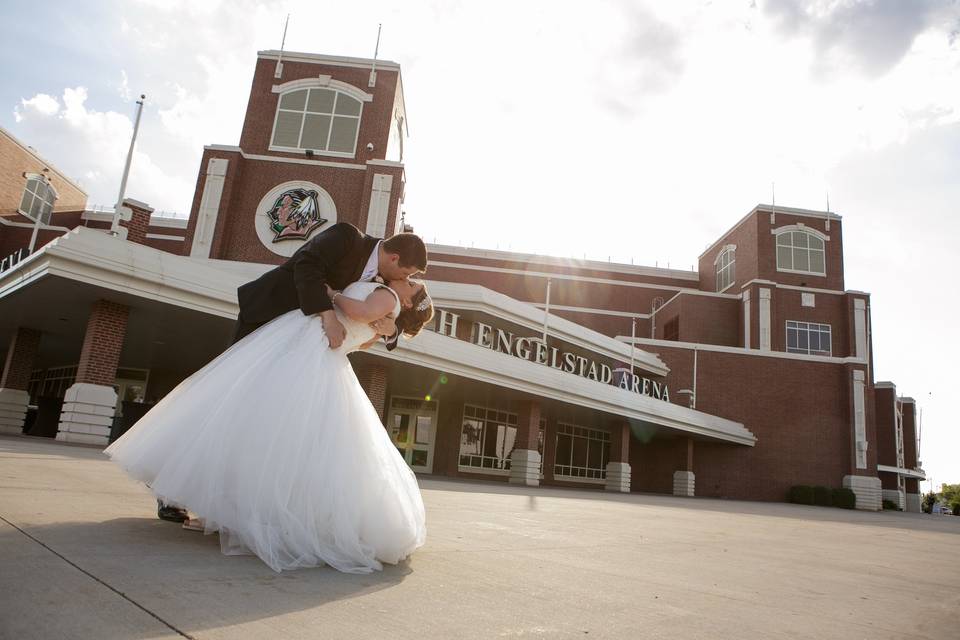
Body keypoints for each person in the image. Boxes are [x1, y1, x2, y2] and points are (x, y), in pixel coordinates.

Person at [105, 277, 435, 573]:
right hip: (328, 362)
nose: (410, 280)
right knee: (293, 442)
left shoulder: (388, 296)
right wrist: (375, 328)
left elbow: (358, 311)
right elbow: (361, 341)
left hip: (313, 354)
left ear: (406, 301)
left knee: (262, 427)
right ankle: (246, 514)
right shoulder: (387, 315)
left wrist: (333, 295)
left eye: (413, 285)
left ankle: (231, 512)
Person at [156, 222, 428, 523]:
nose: (406, 279)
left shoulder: (385, 282)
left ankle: (233, 500)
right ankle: (172, 488)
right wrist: (328, 315)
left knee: (266, 425)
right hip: (270, 320)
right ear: (394, 259)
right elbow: (306, 266)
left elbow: (395, 311)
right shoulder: (347, 238)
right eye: (407, 274)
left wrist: (394, 330)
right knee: (228, 403)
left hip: (304, 350)